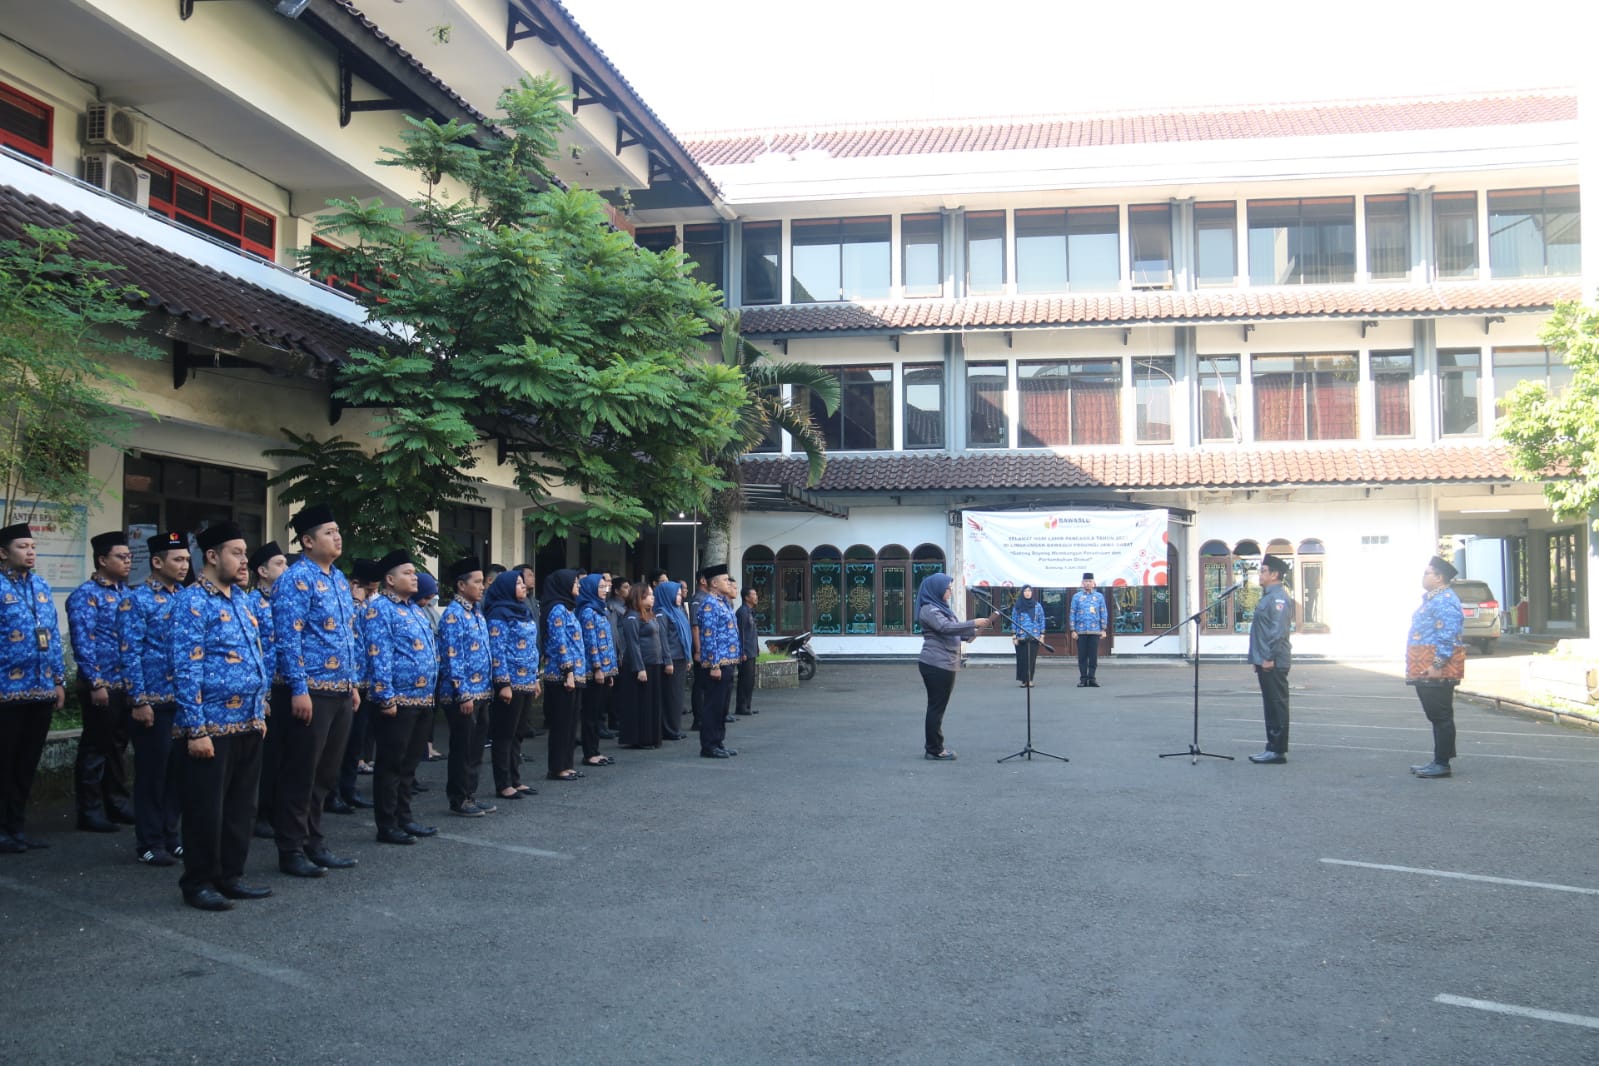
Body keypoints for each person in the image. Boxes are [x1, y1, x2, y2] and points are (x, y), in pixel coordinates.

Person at [171, 522, 271, 911]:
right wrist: (196, 730)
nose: (245, 561)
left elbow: (255, 654)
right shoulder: (192, 602)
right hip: (210, 726)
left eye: (246, 553)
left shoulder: (242, 600)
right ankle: (199, 882)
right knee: (205, 810)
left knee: (241, 808)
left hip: (247, 721)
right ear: (212, 556)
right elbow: (186, 669)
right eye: (236, 553)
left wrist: (260, 705)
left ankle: (231, 875)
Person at [271, 503, 360, 878]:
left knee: (326, 773)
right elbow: (287, 638)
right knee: (301, 772)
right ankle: (291, 849)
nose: (337, 537)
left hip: (340, 690)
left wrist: (352, 683)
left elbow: (347, 636)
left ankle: (314, 842)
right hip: (310, 691)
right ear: (307, 542)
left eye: (338, 531)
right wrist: (298, 688)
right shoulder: (295, 579)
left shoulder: (338, 578)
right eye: (328, 532)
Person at [116, 530, 190, 866]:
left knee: (178, 774)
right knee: (152, 774)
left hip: (182, 701)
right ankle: (149, 842)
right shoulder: (137, 600)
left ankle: (171, 836)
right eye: (177, 559)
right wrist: (138, 700)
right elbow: (129, 653)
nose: (184, 565)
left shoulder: (187, 598)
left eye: (187, 559)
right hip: (153, 702)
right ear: (157, 562)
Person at [362, 550, 441, 843]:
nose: (414, 577)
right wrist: (386, 697)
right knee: (391, 764)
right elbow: (378, 655)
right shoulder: (380, 609)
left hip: (422, 698)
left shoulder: (415, 609)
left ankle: (404, 818)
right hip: (398, 701)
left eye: (414, 572)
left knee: (409, 764)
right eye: (407, 573)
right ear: (390, 579)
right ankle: (387, 824)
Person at [0, 521, 67, 853]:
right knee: (4, 762)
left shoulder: (40, 586)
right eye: (22, 547)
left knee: (27, 763)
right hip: (6, 693)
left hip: (40, 689)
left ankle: (16, 827)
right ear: (3, 553)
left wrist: (58, 681)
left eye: (33, 547)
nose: (30, 552)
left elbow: (51, 637)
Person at [67, 529, 134, 833]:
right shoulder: (86, 595)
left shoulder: (126, 594)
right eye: (121, 557)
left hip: (124, 684)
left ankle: (116, 804)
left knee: (117, 746)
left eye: (129, 557)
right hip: (101, 684)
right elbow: (83, 642)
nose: (127, 561)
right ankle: (90, 810)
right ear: (102, 560)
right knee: (95, 747)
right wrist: (95, 683)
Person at [916, 573, 994, 760]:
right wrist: (973, 622)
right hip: (936, 664)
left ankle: (934, 747)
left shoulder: (942, 609)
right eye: (947, 588)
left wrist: (981, 627)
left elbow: (959, 633)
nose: (950, 591)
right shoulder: (929, 609)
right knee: (936, 707)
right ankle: (934, 749)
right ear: (936, 589)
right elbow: (945, 628)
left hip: (946, 663)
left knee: (938, 707)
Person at [439, 555, 495, 816]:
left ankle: (470, 795)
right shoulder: (454, 615)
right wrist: (463, 694)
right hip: (463, 694)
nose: (482, 587)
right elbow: (453, 657)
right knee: (462, 748)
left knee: (475, 748)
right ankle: (459, 798)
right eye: (477, 582)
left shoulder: (476, 612)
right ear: (461, 586)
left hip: (481, 690)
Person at [244, 541, 288, 840]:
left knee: (284, 755)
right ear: (262, 571)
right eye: (279, 564)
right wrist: (262, 696)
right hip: (265, 692)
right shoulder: (251, 603)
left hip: (287, 688)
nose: (286, 569)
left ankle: (277, 812)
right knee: (266, 758)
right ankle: (259, 814)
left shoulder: (286, 600)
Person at [332, 557, 384, 814]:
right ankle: (332, 793)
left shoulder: (368, 606)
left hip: (364, 683)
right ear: (355, 584)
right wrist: (355, 600)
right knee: (339, 743)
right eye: (369, 589)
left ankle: (349, 789)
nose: (372, 594)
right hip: (346, 682)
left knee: (357, 741)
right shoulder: (346, 604)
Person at [485, 567, 541, 802]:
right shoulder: (498, 614)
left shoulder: (523, 610)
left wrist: (535, 678)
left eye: (522, 583)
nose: (524, 586)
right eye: (518, 584)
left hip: (527, 680)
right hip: (510, 682)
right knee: (504, 734)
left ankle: (515, 779)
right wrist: (503, 683)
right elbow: (497, 651)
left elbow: (532, 647)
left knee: (518, 733)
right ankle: (503, 783)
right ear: (506, 587)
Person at [1407, 556, 1466, 779]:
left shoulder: (1445, 600)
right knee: (1436, 715)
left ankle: (1442, 763)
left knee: (1441, 715)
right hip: (1425, 665)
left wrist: (1438, 663)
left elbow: (1448, 633)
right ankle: (1438, 760)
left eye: (1427, 573)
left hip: (1436, 668)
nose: (1423, 577)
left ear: (1439, 577)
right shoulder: (1435, 599)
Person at [1247, 554, 1295, 764]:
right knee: (1270, 706)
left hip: (1273, 661)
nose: (1260, 574)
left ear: (1274, 574)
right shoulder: (1268, 597)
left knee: (1277, 705)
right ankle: (1271, 747)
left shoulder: (1278, 598)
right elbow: (1263, 631)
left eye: (1263, 571)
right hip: (1265, 660)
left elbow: (1277, 632)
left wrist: (1268, 658)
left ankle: (1277, 751)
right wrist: (1257, 659)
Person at [539, 569, 585, 782]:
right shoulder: (557, 609)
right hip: (561, 675)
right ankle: (557, 767)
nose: (578, 585)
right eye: (575, 582)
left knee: (571, 723)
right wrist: (568, 672)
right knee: (561, 724)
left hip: (574, 673)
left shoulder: (568, 608)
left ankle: (567, 764)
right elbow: (560, 643)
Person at [694, 564, 741, 759]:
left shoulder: (722, 602)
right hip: (717, 664)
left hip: (728, 662)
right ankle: (708, 745)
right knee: (713, 706)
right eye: (725, 580)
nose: (728, 583)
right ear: (714, 583)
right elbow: (708, 636)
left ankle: (718, 741)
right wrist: (714, 665)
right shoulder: (709, 604)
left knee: (722, 706)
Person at [575, 573, 617, 769]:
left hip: (605, 670)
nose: (604, 591)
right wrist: (598, 668)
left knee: (598, 712)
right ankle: (589, 753)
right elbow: (591, 643)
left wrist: (610, 672)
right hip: (593, 671)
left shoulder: (600, 609)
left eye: (605, 587)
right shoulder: (587, 612)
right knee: (590, 714)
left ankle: (595, 751)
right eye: (600, 587)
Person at [616, 582, 664, 748]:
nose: (652, 598)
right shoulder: (631, 616)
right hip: (641, 665)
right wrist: (640, 668)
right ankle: (640, 738)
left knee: (651, 703)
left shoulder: (648, 615)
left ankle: (651, 737)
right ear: (639, 597)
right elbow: (633, 644)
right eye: (648, 595)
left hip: (653, 663)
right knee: (641, 703)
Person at [653, 579, 690, 740]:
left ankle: (675, 727)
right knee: (671, 695)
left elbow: (684, 636)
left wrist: (688, 658)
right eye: (677, 594)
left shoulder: (677, 611)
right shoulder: (662, 613)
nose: (680, 597)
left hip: (680, 658)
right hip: (671, 659)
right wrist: (667, 661)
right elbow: (663, 640)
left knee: (678, 696)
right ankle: (669, 729)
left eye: (680, 594)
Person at [1069, 573, 1108, 688]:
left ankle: (1092, 678)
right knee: (1082, 657)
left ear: (1094, 583)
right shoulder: (1076, 597)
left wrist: (1103, 629)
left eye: (1090, 581)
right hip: (1080, 631)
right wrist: (1073, 630)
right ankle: (1083, 679)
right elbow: (1072, 613)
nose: (1088, 583)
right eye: (1086, 581)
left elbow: (1103, 612)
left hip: (1095, 631)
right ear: (1082, 583)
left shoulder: (1099, 596)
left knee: (1093, 656)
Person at [1011, 584, 1045, 688]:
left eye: (1029, 591)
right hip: (1021, 636)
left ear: (1032, 593)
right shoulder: (1017, 606)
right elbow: (1014, 621)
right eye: (1025, 591)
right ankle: (1023, 680)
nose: (1027, 593)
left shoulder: (1037, 606)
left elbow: (1041, 620)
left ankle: (1030, 680)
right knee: (1022, 659)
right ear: (1022, 593)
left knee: (1031, 660)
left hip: (1034, 636)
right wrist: (1014, 636)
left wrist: (1042, 635)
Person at [734, 586, 760, 716]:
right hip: (746, 652)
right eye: (753, 594)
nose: (756, 597)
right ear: (746, 597)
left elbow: (752, 632)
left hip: (751, 650)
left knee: (750, 680)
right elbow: (741, 634)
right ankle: (741, 706)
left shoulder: (750, 611)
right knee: (744, 679)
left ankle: (747, 706)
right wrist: (742, 651)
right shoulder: (742, 612)